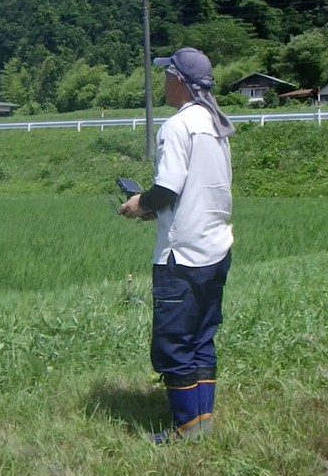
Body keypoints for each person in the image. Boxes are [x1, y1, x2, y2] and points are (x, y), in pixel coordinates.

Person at [118, 47, 235, 443]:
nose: (163, 81)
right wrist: (157, 211)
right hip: (215, 250)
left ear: (179, 82)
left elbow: (167, 187)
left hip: (180, 256)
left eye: (167, 74)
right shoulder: (217, 125)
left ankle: (184, 431)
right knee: (202, 337)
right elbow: (196, 192)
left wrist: (139, 205)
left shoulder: (177, 126)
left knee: (172, 343)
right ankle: (201, 424)